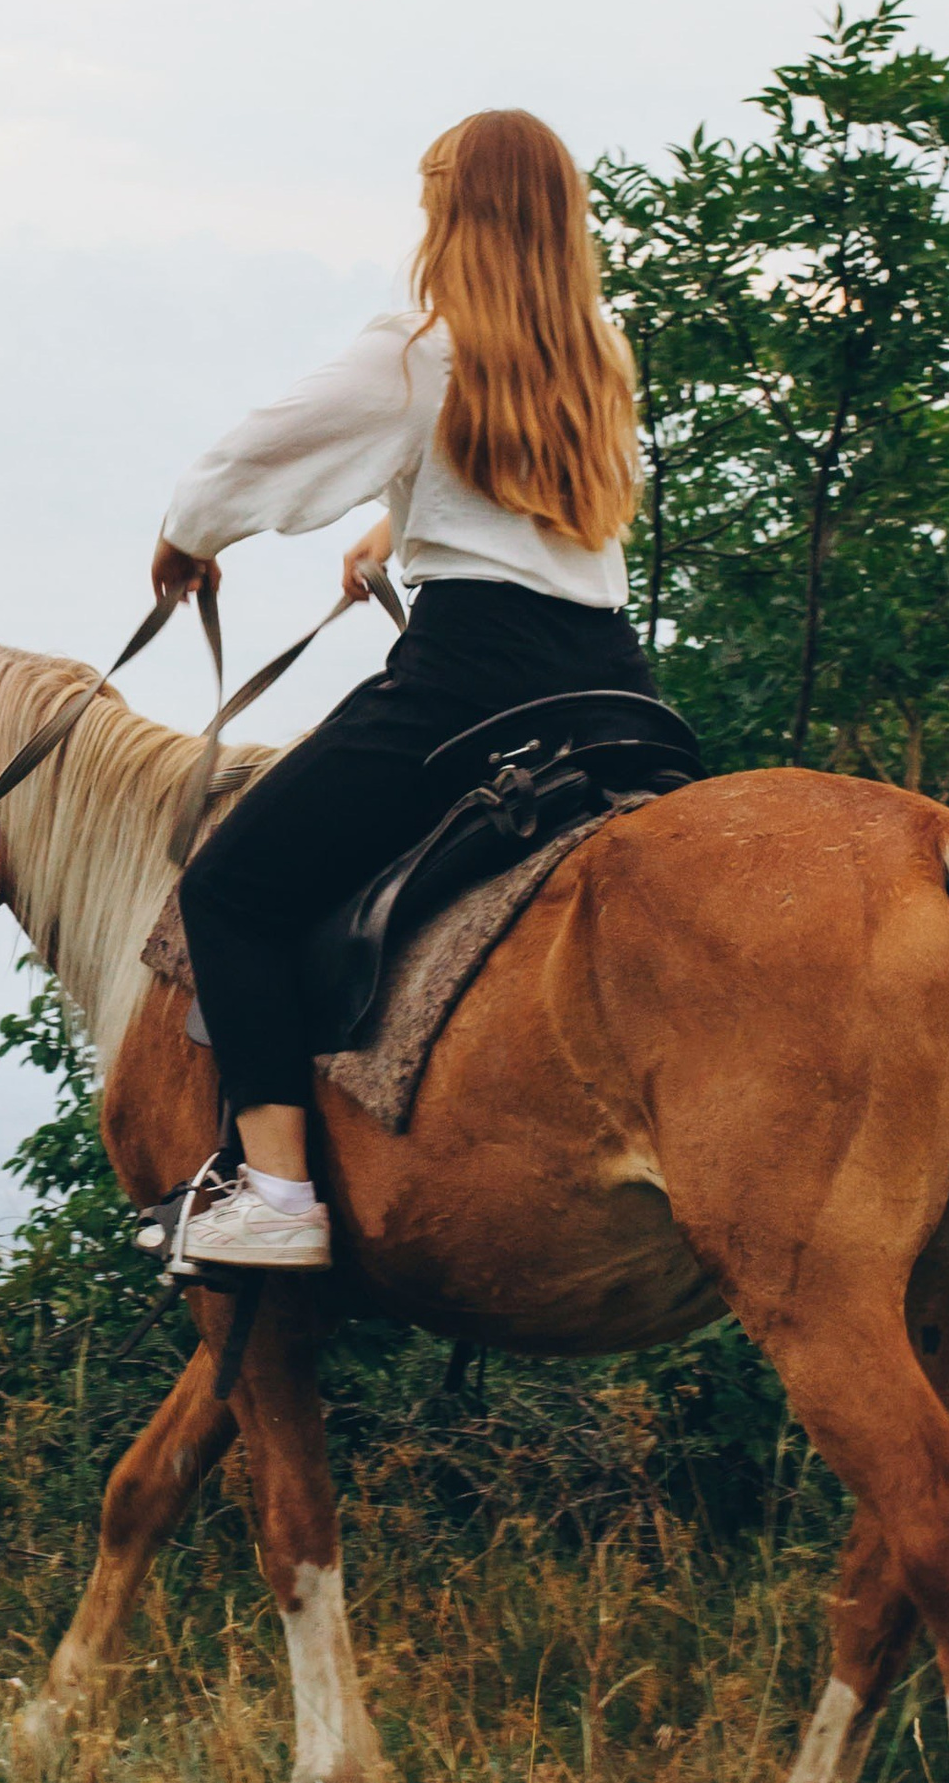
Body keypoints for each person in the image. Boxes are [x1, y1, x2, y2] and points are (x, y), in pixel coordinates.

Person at [150, 107, 652, 1269]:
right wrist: (395, 526)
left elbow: (252, 455)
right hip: (611, 686)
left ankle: (277, 1196)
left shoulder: (420, 350)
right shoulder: (598, 353)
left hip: (472, 681)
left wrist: (185, 537)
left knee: (229, 889)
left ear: (451, 210)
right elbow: (529, 500)